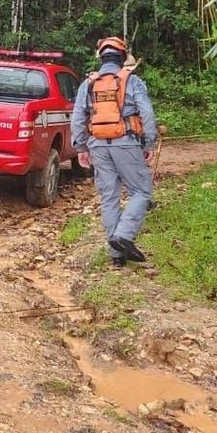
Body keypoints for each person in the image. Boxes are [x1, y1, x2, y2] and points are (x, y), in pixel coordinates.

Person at [70, 36, 158, 267]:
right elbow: (147, 114)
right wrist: (149, 143)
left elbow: (78, 117)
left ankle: (116, 255)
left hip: (97, 145)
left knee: (109, 198)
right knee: (141, 192)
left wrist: (80, 147)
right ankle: (124, 236)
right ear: (122, 57)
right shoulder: (133, 81)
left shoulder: (88, 83)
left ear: (101, 57)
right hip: (126, 143)